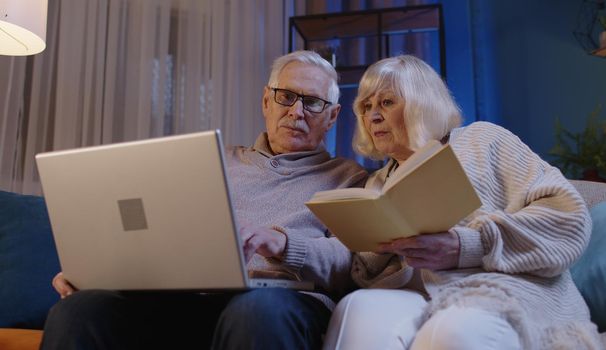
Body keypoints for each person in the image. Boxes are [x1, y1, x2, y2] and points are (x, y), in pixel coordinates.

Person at [40, 50, 367, 350]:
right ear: (267, 101)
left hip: (279, 301)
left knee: (254, 310)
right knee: (79, 310)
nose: (297, 111)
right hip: (186, 300)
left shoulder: (348, 178)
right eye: (286, 97)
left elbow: (351, 263)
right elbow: (151, 231)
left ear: (333, 116)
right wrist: (92, 272)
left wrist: (281, 242)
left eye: (313, 102)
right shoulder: (211, 160)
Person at [322, 55, 602, 350]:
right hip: (421, 298)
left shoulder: (482, 140)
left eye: (387, 102)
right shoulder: (377, 182)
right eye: (366, 107)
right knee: (357, 308)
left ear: (422, 103)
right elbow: (367, 271)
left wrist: (466, 246)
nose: (373, 116)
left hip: (503, 292)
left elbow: (569, 220)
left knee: (450, 331)